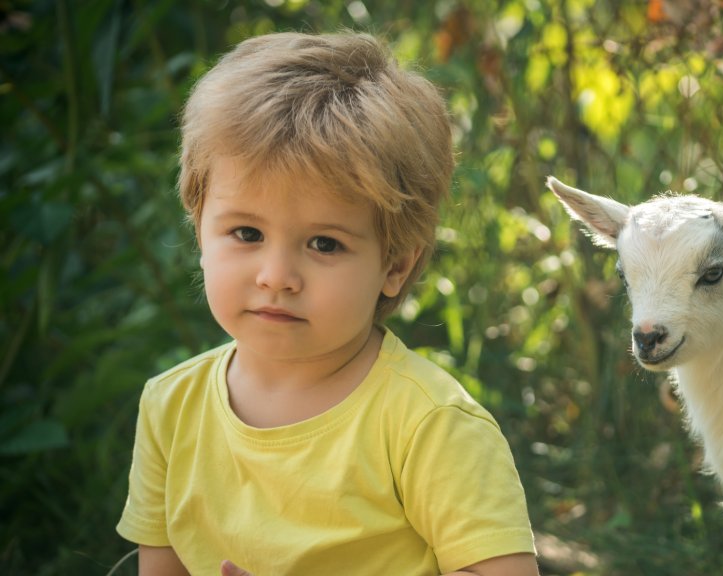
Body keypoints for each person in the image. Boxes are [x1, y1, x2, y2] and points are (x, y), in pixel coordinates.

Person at [116, 30, 539, 576]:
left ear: (395, 265)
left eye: (324, 244)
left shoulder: (428, 425)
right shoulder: (171, 407)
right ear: (200, 231)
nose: (276, 277)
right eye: (247, 233)